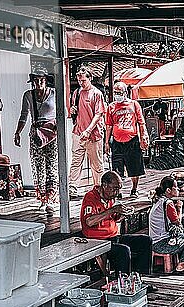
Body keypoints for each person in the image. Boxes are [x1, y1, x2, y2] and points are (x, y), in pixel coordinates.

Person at [80, 171, 152, 275]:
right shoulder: (90, 197)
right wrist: (112, 210)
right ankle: (123, 282)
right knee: (123, 251)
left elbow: (115, 219)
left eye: (119, 189)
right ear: (104, 185)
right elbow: (89, 221)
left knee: (145, 240)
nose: (117, 193)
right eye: (115, 189)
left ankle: (139, 277)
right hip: (97, 241)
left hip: (113, 237)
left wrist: (123, 213)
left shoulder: (109, 197)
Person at [14, 68, 58, 215]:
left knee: (51, 165)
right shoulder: (28, 95)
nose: (39, 83)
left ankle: (51, 199)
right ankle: (42, 199)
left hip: (51, 133)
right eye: (36, 80)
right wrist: (18, 132)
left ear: (46, 80)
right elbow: (24, 115)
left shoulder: (53, 93)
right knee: (38, 165)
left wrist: (57, 125)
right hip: (36, 132)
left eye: (42, 80)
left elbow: (61, 112)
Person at [149, 176, 184, 273]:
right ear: (168, 190)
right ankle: (182, 264)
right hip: (163, 244)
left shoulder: (159, 200)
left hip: (155, 241)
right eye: (175, 187)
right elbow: (178, 223)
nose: (178, 189)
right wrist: (179, 208)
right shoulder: (168, 203)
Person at [106, 81, 149, 199]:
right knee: (117, 168)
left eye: (119, 92)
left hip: (132, 141)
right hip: (117, 142)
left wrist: (144, 137)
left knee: (134, 167)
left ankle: (134, 189)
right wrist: (106, 142)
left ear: (125, 92)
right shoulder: (111, 107)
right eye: (115, 92)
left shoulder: (134, 105)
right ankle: (118, 191)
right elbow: (109, 125)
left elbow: (141, 122)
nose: (117, 94)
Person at [69, 66, 106, 197]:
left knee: (96, 163)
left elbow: (98, 114)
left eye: (83, 80)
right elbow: (75, 109)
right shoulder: (77, 93)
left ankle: (98, 187)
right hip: (78, 131)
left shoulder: (96, 94)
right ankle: (73, 186)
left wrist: (88, 130)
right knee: (76, 160)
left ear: (90, 79)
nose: (81, 83)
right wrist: (73, 110)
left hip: (93, 134)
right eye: (79, 81)